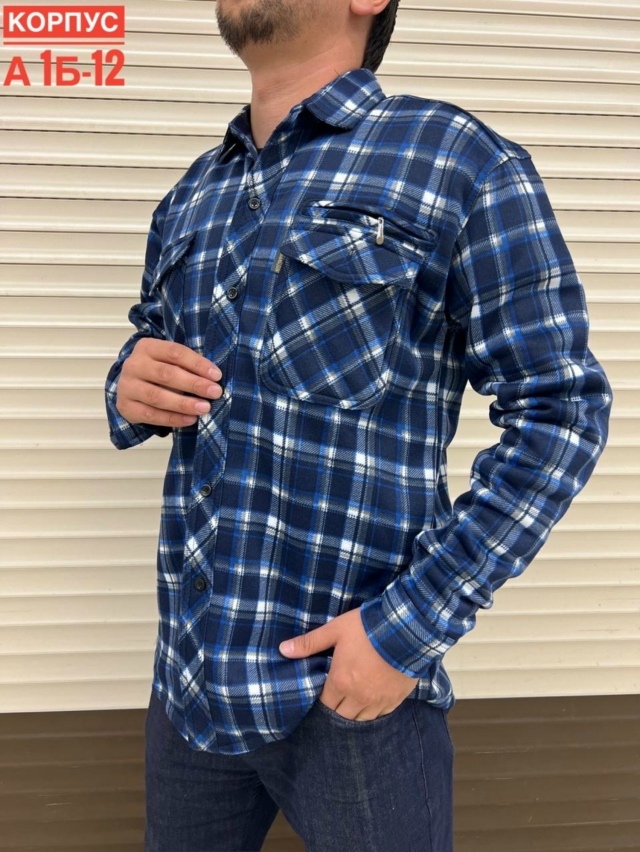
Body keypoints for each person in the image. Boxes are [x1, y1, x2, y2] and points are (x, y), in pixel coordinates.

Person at [104, 1, 612, 850]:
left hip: (351, 697)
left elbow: (561, 413)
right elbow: (151, 345)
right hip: (188, 682)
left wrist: (407, 630)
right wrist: (128, 380)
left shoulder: (457, 160)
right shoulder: (192, 194)